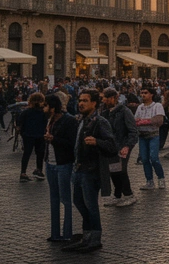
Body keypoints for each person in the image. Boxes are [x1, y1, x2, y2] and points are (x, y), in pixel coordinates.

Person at [66, 89, 115, 253]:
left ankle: (95, 239)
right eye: (80, 100)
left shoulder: (100, 122)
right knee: (79, 202)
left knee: (90, 205)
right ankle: (86, 236)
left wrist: (97, 142)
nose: (80, 103)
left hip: (91, 170)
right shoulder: (82, 120)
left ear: (94, 103)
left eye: (85, 101)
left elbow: (112, 145)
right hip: (79, 168)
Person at [43, 94, 79, 244]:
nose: (43, 108)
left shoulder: (69, 120)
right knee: (54, 198)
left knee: (66, 199)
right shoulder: (50, 120)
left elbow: (72, 143)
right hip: (50, 163)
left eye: (45, 106)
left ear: (52, 107)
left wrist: (54, 139)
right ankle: (55, 233)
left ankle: (68, 233)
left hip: (63, 163)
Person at [100, 88, 138, 206]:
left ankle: (129, 195)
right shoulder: (104, 112)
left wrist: (127, 145)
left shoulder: (124, 111)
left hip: (123, 145)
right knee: (113, 170)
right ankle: (117, 195)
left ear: (113, 98)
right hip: (111, 147)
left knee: (121, 170)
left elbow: (133, 131)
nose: (104, 101)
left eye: (106, 98)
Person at [133, 87, 166, 190]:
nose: (143, 95)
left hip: (153, 135)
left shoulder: (157, 106)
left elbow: (158, 121)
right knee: (144, 159)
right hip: (142, 136)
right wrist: (148, 121)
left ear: (151, 94)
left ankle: (161, 178)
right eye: (142, 93)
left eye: (145, 93)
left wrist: (143, 121)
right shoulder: (140, 107)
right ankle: (149, 181)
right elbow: (135, 121)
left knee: (154, 158)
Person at [19, 92, 49, 182]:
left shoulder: (26, 112)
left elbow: (20, 123)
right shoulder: (43, 113)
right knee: (40, 153)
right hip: (40, 135)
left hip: (28, 135)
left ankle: (23, 173)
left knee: (26, 154)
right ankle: (39, 170)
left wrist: (23, 133)